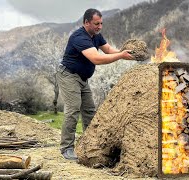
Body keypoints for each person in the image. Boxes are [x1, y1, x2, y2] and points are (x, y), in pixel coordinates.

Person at [57, 8, 134, 160]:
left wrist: (126, 54)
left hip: (82, 78)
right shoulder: (79, 37)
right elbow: (96, 58)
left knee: (90, 111)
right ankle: (66, 148)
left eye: (101, 23)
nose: (99, 27)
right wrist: (120, 56)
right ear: (86, 22)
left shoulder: (96, 36)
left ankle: (89, 144)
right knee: (73, 110)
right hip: (69, 75)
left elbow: (108, 50)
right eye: (96, 23)